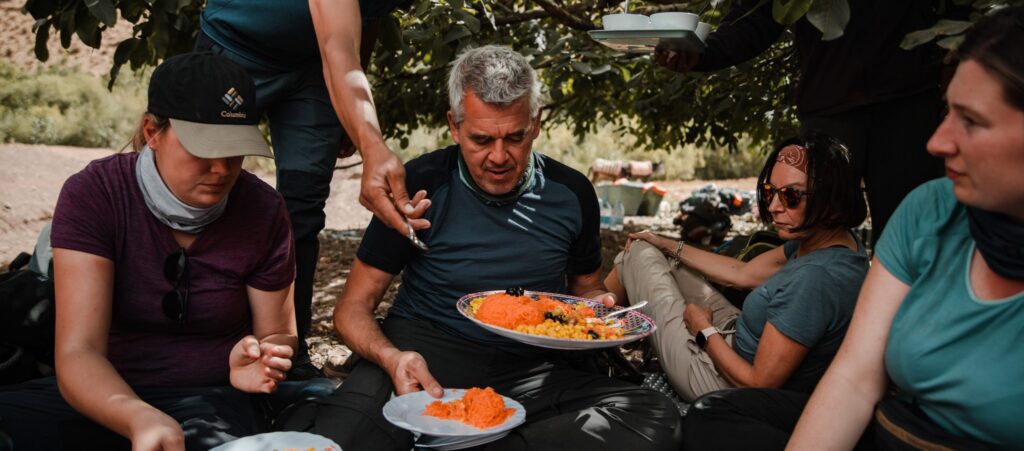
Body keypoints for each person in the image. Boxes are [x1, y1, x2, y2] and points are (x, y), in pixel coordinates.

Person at [278, 45, 684, 450]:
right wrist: (391, 358)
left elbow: (587, 291)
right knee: (336, 441)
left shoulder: (572, 192)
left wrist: (602, 311)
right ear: (454, 126)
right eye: (481, 139)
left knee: (652, 416)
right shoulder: (420, 184)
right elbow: (351, 309)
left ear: (536, 123)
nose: (499, 156)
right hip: (421, 356)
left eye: (515, 137)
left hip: (532, 369)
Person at [0, 53, 301, 450]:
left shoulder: (263, 209)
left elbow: (280, 333)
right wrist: (137, 415)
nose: (222, 169)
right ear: (152, 131)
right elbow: (78, 351)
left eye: (234, 150)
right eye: (203, 149)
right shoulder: (96, 194)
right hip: (98, 393)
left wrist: (264, 359)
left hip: (211, 401)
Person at [783, 7, 1024, 449]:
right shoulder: (928, 211)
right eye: (946, 111)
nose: (937, 141)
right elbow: (854, 378)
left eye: (971, 121)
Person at [196, 0, 416, 377]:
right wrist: (370, 141)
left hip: (313, 70)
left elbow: (368, 18)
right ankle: (200, 350)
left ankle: (286, 358)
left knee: (301, 210)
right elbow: (337, 44)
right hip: (236, 49)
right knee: (204, 189)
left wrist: (352, 115)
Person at [657, 0, 950, 243]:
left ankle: (913, 313)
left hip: (910, 101)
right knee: (815, 233)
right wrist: (701, 53)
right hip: (829, 105)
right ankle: (826, 312)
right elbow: (756, 19)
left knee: (915, 234)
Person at [604, 134, 869, 402]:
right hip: (737, 336)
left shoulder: (814, 279)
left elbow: (757, 383)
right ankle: (595, 331)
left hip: (717, 381)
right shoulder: (833, 242)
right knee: (649, 248)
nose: (774, 207)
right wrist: (665, 243)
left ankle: (586, 340)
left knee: (637, 254)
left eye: (791, 196)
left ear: (832, 200)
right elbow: (742, 274)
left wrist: (703, 330)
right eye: (770, 192)